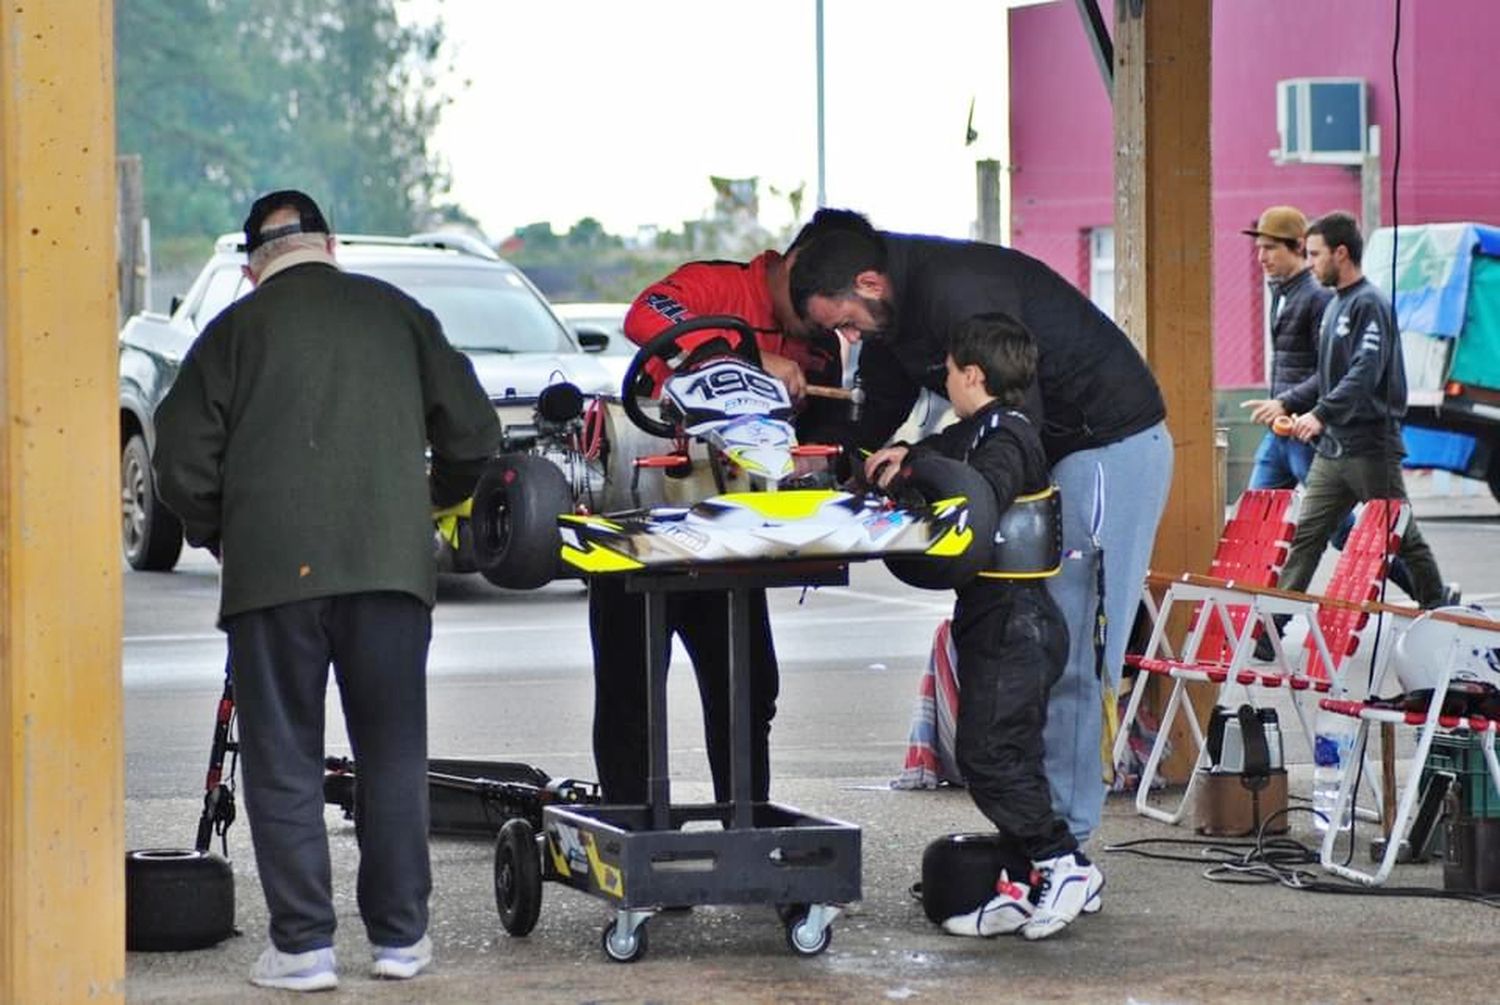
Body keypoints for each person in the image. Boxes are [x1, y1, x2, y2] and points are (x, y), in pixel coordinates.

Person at [153, 190, 501, 991]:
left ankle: (305, 948)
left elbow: (177, 466)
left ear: (252, 268)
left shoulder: (231, 332)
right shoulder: (397, 313)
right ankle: (401, 939)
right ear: (331, 244)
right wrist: (432, 499)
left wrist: (225, 533)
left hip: (272, 579)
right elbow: (475, 435)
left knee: (283, 762)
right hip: (388, 570)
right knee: (393, 751)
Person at [789, 209, 1173, 851]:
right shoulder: (889, 318)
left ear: (870, 283)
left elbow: (1012, 422)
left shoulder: (958, 292)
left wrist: (925, 459)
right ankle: (1038, 826)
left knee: (1073, 648)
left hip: (1106, 447)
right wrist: (814, 459)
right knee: (1034, 647)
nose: (848, 338)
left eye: (847, 323)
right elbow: (877, 415)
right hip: (1049, 453)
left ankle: (1064, 842)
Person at [865, 313, 1103, 940]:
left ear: (973, 373)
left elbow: (981, 494)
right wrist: (908, 458)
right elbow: (946, 452)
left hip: (1013, 619)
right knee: (1013, 756)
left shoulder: (1007, 437)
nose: (943, 381)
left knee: (989, 757)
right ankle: (1033, 878)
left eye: (948, 372)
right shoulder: (982, 428)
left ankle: (1061, 865)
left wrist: (923, 476)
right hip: (1003, 617)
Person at [590, 246, 844, 805]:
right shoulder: (713, 286)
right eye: (833, 310)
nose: (834, 328)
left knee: (748, 692)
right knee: (630, 694)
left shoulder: (820, 345)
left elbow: (824, 450)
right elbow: (644, 315)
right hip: (644, 520)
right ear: (800, 269)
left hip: (732, 540)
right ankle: (633, 831)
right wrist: (741, 361)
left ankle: (746, 823)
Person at [1247, 211, 1448, 608]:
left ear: (1341, 254)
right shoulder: (1336, 305)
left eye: (1317, 253)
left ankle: (1440, 614)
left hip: (1370, 447)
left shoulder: (1369, 304)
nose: (1312, 261)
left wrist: (1320, 413)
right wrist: (1299, 408)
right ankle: (1271, 629)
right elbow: (1328, 375)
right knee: (1306, 536)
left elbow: (1365, 371)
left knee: (1402, 536)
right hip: (1332, 450)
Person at [1239, 206, 1331, 490]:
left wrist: (1285, 401)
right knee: (1257, 516)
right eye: (1259, 248)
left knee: (1335, 522)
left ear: (1299, 246)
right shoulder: (1282, 294)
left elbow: (1330, 371)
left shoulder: (1317, 297)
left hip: (1306, 432)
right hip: (1280, 430)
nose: (1261, 257)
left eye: (1270, 248)